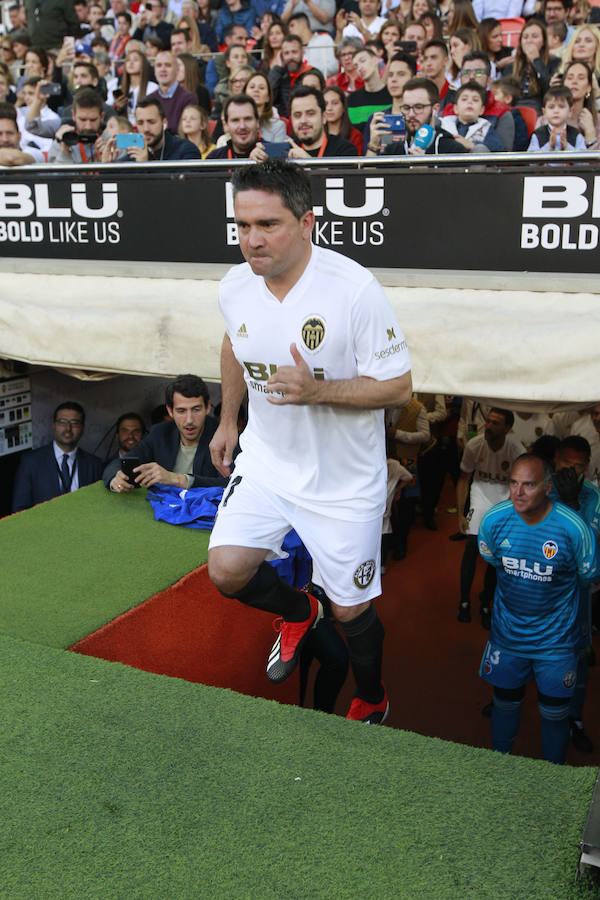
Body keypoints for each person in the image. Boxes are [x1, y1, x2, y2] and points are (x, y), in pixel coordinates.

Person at [207, 159, 412, 724]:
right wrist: (229, 420)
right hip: (269, 463)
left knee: (352, 611)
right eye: (242, 225)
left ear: (307, 222)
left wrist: (319, 389)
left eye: (267, 224)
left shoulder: (354, 290)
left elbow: (399, 386)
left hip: (344, 481)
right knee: (226, 570)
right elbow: (233, 342)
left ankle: (372, 695)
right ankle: (299, 612)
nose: (252, 240)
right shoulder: (234, 284)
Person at [478, 453, 600, 765]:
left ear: (547, 487)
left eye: (528, 485)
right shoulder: (494, 520)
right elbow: (493, 560)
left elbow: (588, 577)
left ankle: (553, 779)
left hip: (556, 644)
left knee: (555, 714)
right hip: (508, 638)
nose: (517, 492)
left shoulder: (574, 529)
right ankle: (500, 767)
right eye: (513, 483)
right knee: (505, 703)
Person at [549, 435, 600, 754]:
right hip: (537, 589)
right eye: (566, 463)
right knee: (525, 649)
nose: (572, 470)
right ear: (555, 460)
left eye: (579, 465)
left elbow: (589, 552)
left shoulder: (593, 497)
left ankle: (574, 719)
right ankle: (508, 697)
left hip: (576, 596)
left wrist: (572, 508)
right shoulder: (538, 488)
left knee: (577, 657)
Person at [457, 408, 524, 628]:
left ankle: (486, 602)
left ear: (507, 428)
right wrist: (459, 513)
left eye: (496, 423)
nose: (489, 426)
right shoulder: (474, 445)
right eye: (488, 421)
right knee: (471, 548)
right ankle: (464, 601)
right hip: (480, 497)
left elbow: (523, 484)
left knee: (497, 556)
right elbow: (463, 479)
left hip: (505, 500)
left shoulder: (516, 449)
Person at [105, 375, 224, 492]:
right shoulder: (160, 433)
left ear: (208, 407)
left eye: (196, 409)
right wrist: (115, 478)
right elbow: (120, 463)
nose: (189, 420)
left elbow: (233, 482)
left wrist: (177, 479)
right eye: (181, 411)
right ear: (170, 411)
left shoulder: (224, 436)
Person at [12, 402, 103, 513]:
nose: (68, 428)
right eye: (62, 422)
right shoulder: (31, 462)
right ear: (53, 425)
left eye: (74, 423)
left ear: (83, 428)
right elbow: (19, 509)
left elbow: (99, 508)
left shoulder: (94, 464)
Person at [366, 77, 465, 155]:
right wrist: (373, 146)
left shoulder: (453, 150)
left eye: (418, 107)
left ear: (435, 109)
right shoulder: (393, 151)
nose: (411, 114)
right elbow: (370, 180)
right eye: (406, 108)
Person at [285, 84, 358, 155]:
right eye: (297, 115)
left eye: (310, 113)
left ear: (324, 117)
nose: (303, 120)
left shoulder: (345, 149)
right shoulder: (286, 151)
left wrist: (307, 162)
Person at [440, 81, 505, 150]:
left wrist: (473, 145)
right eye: (464, 99)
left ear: (481, 110)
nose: (470, 102)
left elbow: (498, 148)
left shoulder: (486, 127)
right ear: (456, 108)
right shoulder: (444, 124)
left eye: (475, 100)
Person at [147, 49, 197, 131]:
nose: (163, 69)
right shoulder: (149, 100)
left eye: (168, 65)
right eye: (159, 65)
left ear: (177, 70)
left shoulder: (188, 98)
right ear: (154, 71)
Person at [527, 84, 587, 150]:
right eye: (551, 107)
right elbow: (532, 158)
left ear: (570, 111)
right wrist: (549, 146)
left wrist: (566, 146)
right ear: (544, 112)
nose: (556, 111)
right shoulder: (537, 135)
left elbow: (583, 159)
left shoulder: (576, 135)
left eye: (561, 106)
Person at [346, 46, 392, 131]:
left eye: (363, 61)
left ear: (375, 60)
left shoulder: (392, 95)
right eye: (356, 66)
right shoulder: (352, 100)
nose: (360, 68)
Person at [206, 94, 262, 158]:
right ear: (226, 125)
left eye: (247, 119)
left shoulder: (272, 153)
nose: (242, 126)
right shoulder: (214, 158)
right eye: (235, 120)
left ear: (257, 122)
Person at [269, 33, 312, 117]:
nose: (290, 57)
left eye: (294, 52)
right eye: (286, 53)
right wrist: (278, 68)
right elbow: (268, 97)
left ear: (302, 52)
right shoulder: (279, 76)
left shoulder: (311, 74)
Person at [287, 12, 337, 78]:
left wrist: (311, 72)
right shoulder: (295, 49)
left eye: (292, 25)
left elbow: (334, 66)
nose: (290, 30)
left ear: (303, 24)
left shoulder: (324, 39)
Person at [244, 71, 287, 141]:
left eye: (261, 88)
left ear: (268, 97)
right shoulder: (237, 124)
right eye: (252, 87)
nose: (256, 90)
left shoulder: (278, 126)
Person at [323, 85, 364, 152]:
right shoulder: (317, 135)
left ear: (343, 107)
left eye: (335, 103)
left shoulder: (355, 136)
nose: (329, 108)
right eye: (325, 104)